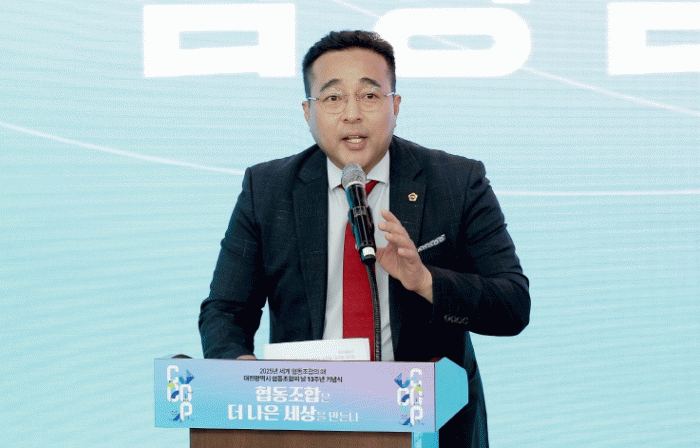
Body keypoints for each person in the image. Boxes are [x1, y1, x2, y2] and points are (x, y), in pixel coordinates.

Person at [199, 30, 530, 447]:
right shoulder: (267, 189)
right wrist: (243, 373)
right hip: (306, 425)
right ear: (308, 112)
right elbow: (225, 310)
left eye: (370, 96)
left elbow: (513, 305)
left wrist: (425, 281)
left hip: (428, 428)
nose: (352, 114)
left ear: (396, 105)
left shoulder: (456, 182)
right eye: (333, 98)